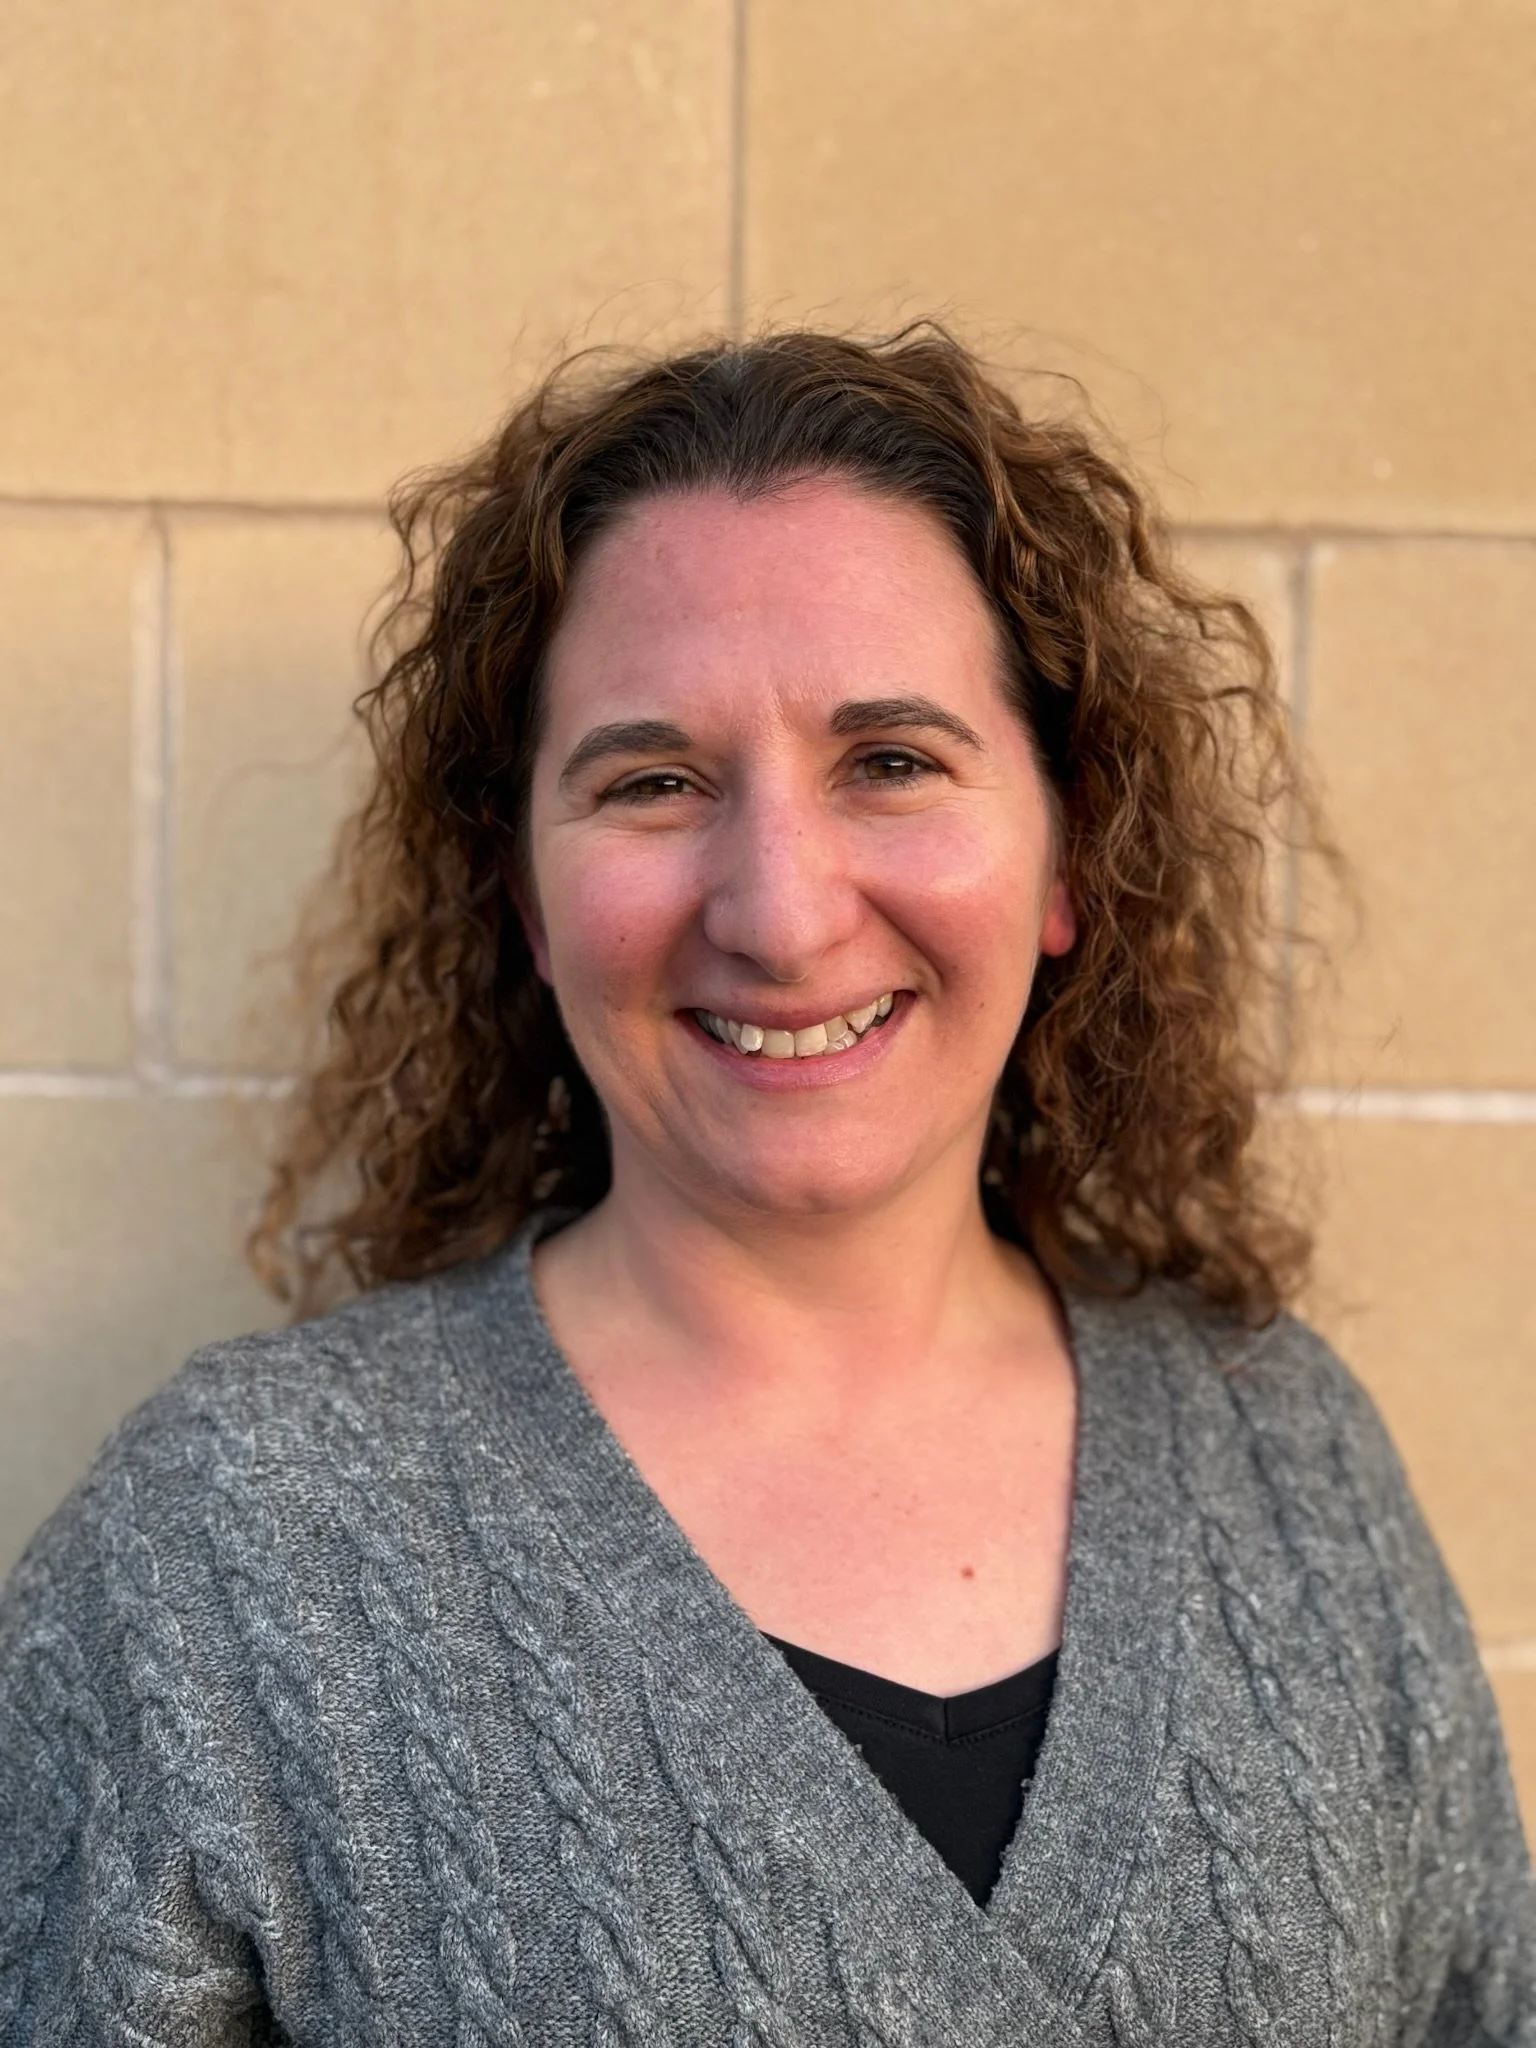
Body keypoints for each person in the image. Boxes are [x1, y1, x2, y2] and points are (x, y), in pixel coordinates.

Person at [2, 326, 1532, 2046]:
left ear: (1066, 851)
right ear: (523, 890)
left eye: (892, 761)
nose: (782, 912)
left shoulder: (1291, 1464)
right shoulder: (230, 1555)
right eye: (654, 783)